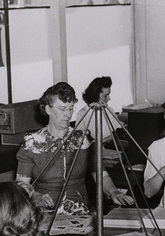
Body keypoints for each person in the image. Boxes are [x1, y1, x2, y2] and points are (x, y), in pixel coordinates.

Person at [16, 82, 133, 215]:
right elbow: (21, 185)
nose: (68, 114)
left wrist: (113, 191)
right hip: (45, 211)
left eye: (71, 108)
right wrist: (36, 196)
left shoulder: (84, 141)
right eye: (62, 109)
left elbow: (101, 174)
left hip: (80, 211)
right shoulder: (31, 143)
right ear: (48, 109)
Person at [74, 76, 125, 142]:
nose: (109, 98)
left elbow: (118, 130)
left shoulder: (110, 110)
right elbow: (80, 139)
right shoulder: (82, 114)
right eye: (105, 95)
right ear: (95, 95)